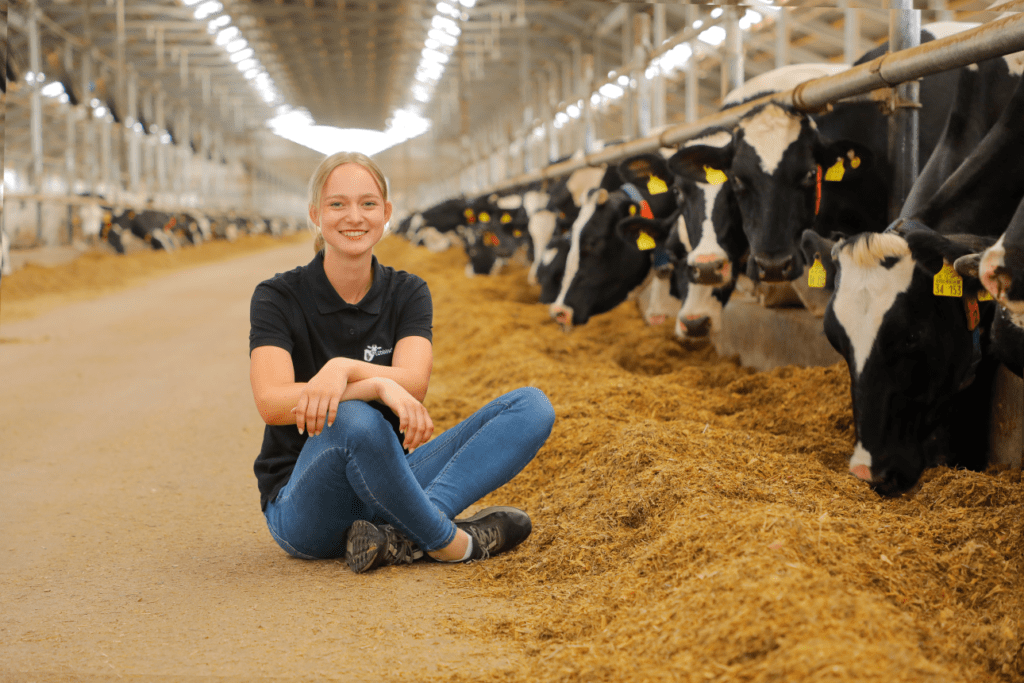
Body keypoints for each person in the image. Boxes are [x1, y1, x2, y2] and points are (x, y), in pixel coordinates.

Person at [248, 151, 556, 573]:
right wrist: (375, 386)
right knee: (354, 420)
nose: (353, 216)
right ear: (315, 214)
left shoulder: (408, 291)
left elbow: (412, 385)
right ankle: (451, 543)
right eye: (337, 204)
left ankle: (401, 537)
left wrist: (343, 368)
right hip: (303, 508)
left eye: (368, 203)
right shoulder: (278, 296)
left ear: (387, 213)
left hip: (390, 484)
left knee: (531, 406)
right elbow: (273, 401)